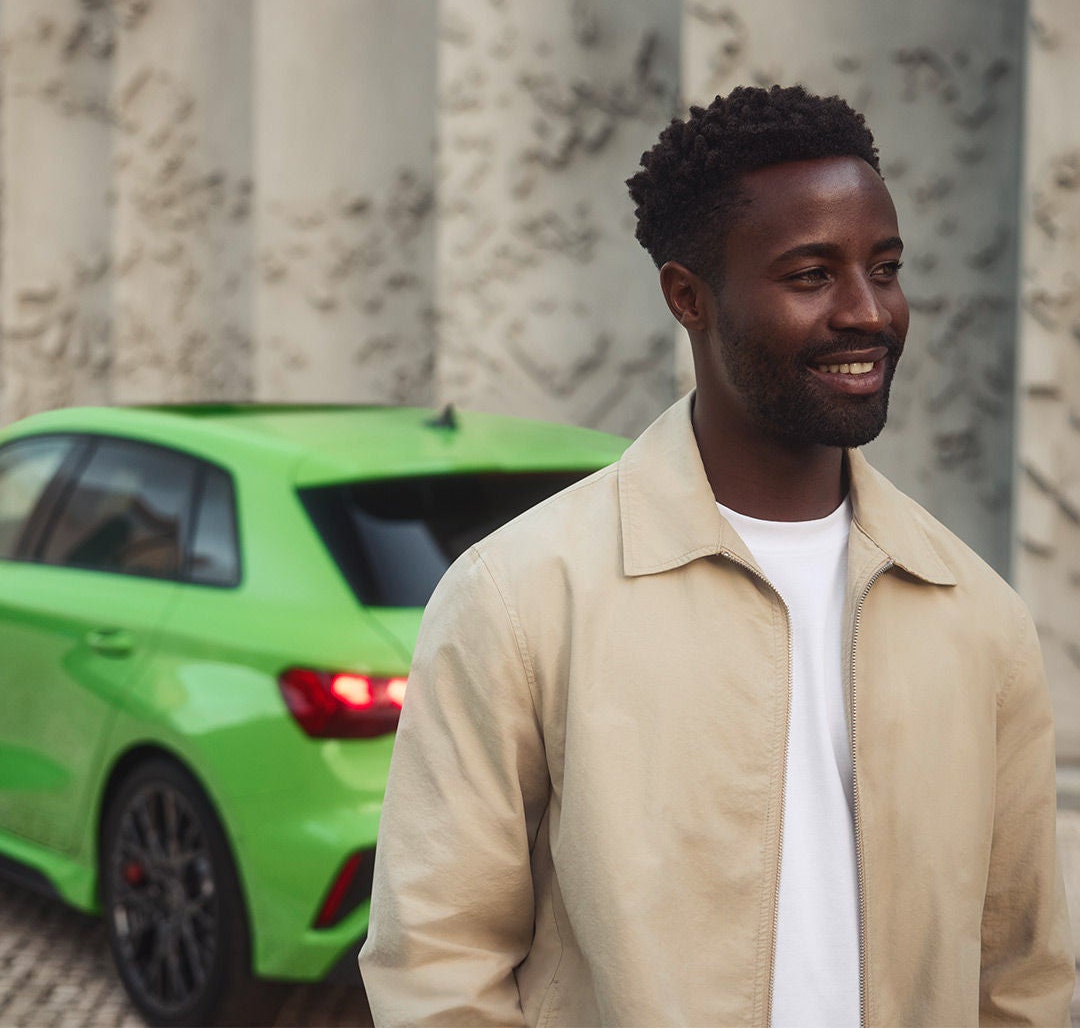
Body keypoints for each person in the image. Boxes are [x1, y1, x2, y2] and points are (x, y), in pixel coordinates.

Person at [358, 85, 1074, 1026]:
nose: (868, 312)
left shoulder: (976, 614)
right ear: (688, 297)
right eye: (811, 275)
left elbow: (1021, 975)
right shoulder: (521, 598)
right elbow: (437, 961)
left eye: (885, 268)